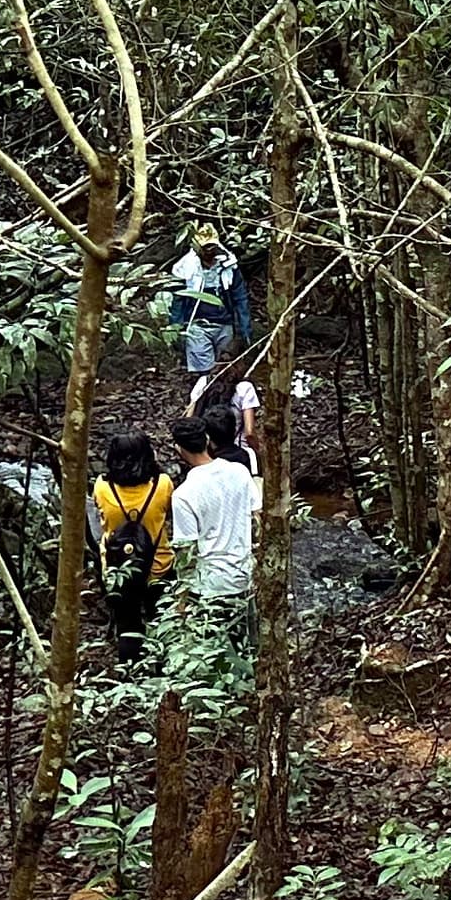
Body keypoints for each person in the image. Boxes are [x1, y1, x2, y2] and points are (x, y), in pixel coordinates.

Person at [164, 413, 259, 622]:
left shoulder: (183, 495)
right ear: (207, 440)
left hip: (210, 586)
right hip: (244, 575)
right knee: (246, 644)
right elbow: (257, 517)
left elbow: (186, 551)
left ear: (179, 449)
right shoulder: (240, 472)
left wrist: (182, 599)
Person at [91, 431, 174, 661]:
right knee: (162, 621)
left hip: (119, 569)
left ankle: (130, 673)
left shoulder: (102, 487)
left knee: (127, 625)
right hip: (158, 566)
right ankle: (162, 671)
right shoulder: (162, 485)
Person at [168, 227, 256, 379]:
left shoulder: (228, 265)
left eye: (212, 246)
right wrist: (175, 328)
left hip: (224, 324)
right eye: (205, 247)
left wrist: (245, 328)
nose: (209, 250)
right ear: (196, 247)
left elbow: (240, 297)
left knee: (225, 368)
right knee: (203, 373)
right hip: (197, 326)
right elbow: (178, 300)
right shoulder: (186, 268)